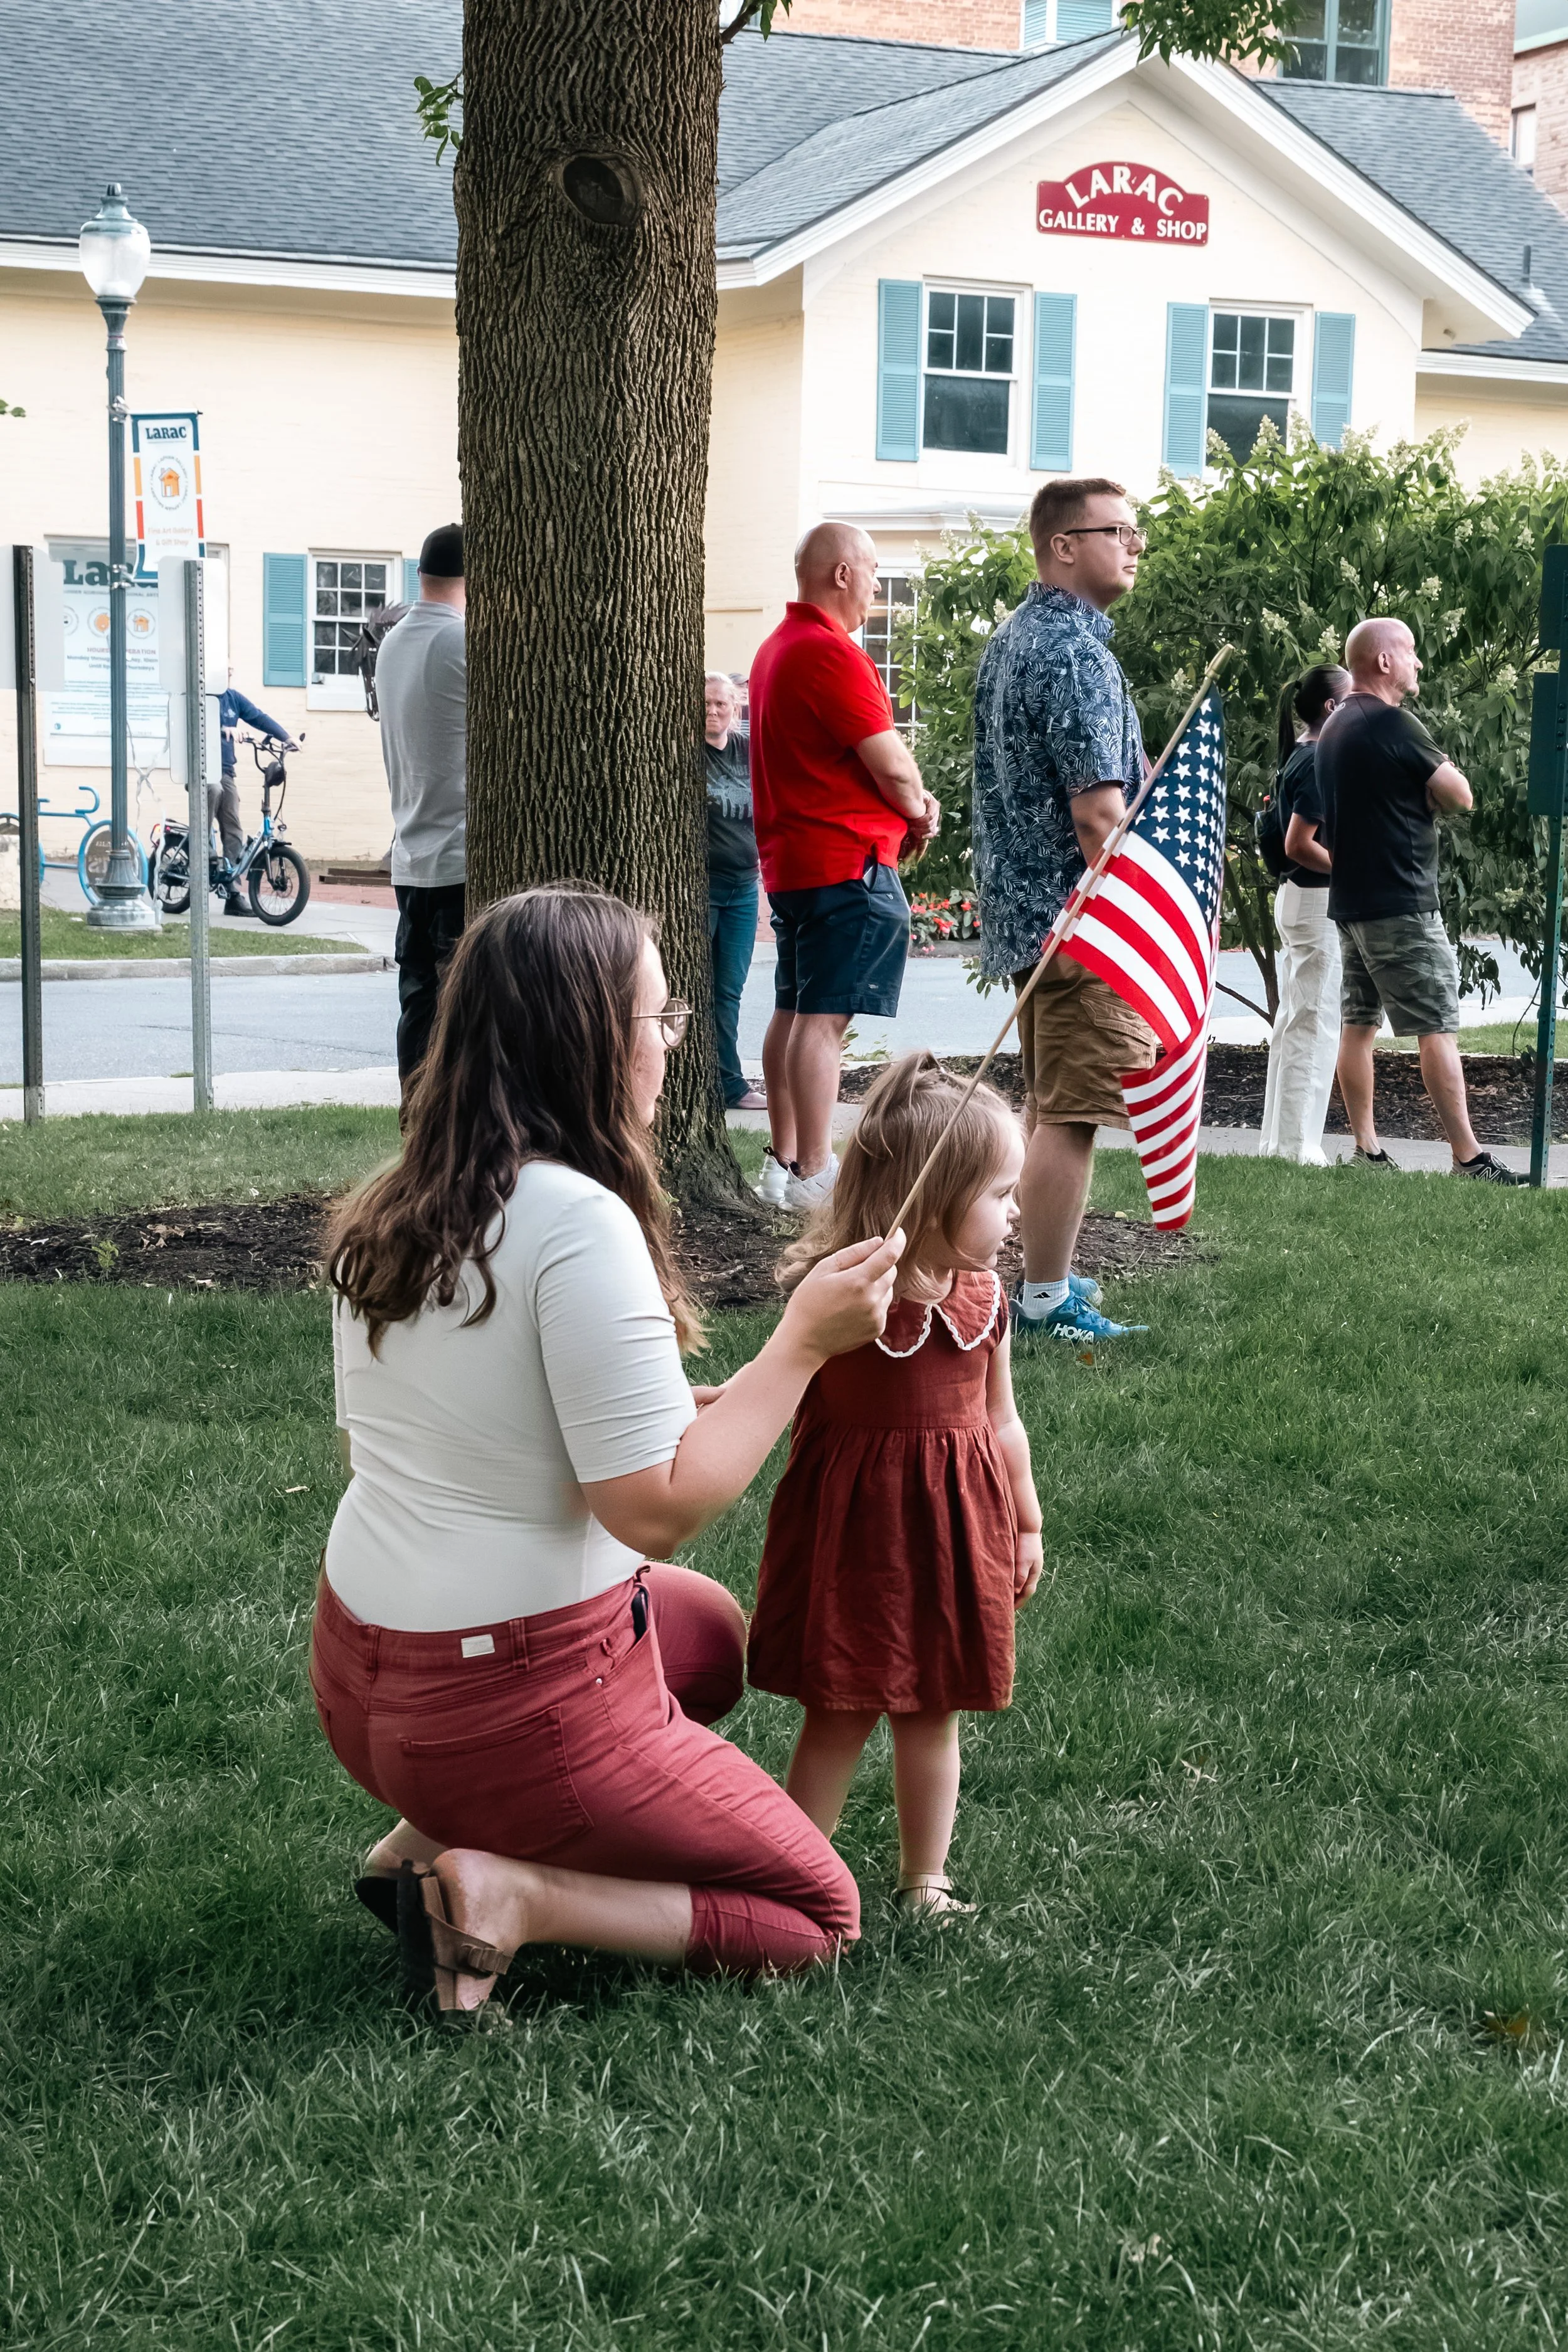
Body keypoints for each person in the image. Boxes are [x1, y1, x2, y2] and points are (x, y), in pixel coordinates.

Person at [313, 884, 908, 2018]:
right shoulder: (578, 1221)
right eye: (659, 1019)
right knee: (820, 1916)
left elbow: (438, 1430)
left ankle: (422, 1841)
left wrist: (652, 1400)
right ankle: (514, 1892)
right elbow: (657, 1510)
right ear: (588, 1039)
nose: (671, 1045)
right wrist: (804, 1345)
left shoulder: (401, 1202)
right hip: (502, 1699)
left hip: (362, 1678)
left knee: (712, 1645)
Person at [748, 1054, 1042, 1917]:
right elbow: (776, 1387)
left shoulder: (983, 1296)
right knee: (840, 1708)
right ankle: (795, 1880)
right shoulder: (843, 1299)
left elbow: (1002, 1419)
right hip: (857, 1537)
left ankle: (927, 1878)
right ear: (928, 1193)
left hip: (953, 1529)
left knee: (932, 1708)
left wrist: (1024, 1522)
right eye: (1000, 1193)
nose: (1015, 1209)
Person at [971, 477, 1158, 1348]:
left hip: (1028, 914)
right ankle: (1044, 1296)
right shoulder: (1075, 654)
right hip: (1080, 921)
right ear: (1062, 544)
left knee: (1052, 1103)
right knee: (1073, 1112)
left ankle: (1042, 1270)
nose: (1136, 544)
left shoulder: (1013, 639)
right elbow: (1096, 813)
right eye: (1119, 529)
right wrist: (1123, 914)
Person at [748, 522, 940, 1213]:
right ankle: (815, 1174)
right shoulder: (830, 653)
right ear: (840, 574)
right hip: (843, 861)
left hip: (797, 862)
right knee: (821, 1022)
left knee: (795, 1010)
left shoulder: (776, 649)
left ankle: (785, 1161)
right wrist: (920, 810)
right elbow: (889, 762)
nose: (875, 587)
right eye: (871, 572)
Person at [1316, 617, 1525, 1184]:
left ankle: (1368, 1149)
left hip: (1351, 900)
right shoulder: (1392, 722)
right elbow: (1461, 794)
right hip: (1401, 901)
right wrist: (1431, 793)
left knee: (1358, 1023)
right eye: (1410, 653)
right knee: (1436, 1024)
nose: (1419, 663)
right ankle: (1468, 1158)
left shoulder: (1335, 727)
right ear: (1383, 662)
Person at [374, 522, 467, 1101]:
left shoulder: (394, 642)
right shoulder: (458, 642)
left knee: (419, 1011)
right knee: (463, 1022)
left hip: (410, 854)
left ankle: (417, 1135)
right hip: (458, 856)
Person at [1259, 664, 1350, 1165]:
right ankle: (1297, 1147)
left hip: (1297, 899)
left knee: (1294, 1020)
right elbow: (1299, 843)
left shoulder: (1297, 753)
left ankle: (1278, 1142)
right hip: (1317, 900)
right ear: (1331, 709)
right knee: (1314, 1022)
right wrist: (1350, 870)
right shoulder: (1317, 759)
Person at [702, 670, 766, 1111]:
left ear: (735, 709)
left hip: (744, 889)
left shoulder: (749, 752)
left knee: (728, 989)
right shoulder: (686, 754)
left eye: (721, 704)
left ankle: (728, 1082)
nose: (712, 711)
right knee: (693, 984)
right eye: (705, 704)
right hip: (702, 890)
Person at [215, 674, 297, 916]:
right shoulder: (203, 697)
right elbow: (193, 721)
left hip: (226, 771)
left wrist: (287, 738)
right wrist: (224, 729)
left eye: (230, 670)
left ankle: (231, 892)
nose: (228, 674)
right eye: (224, 669)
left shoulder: (233, 698)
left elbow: (258, 717)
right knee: (214, 791)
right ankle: (207, 858)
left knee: (234, 830)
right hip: (203, 771)